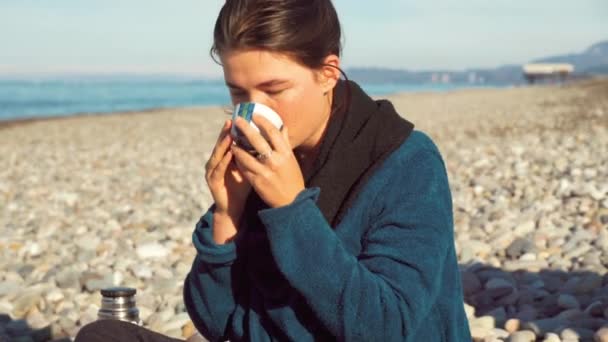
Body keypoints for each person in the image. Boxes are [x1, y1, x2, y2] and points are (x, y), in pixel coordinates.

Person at [75, 0, 471, 341]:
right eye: (238, 93)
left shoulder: (406, 162)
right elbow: (220, 324)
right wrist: (227, 217)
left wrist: (292, 210)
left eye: (274, 90)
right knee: (104, 336)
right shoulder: (261, 161)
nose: (253, 111)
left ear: (327, 74)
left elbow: (387, 326)